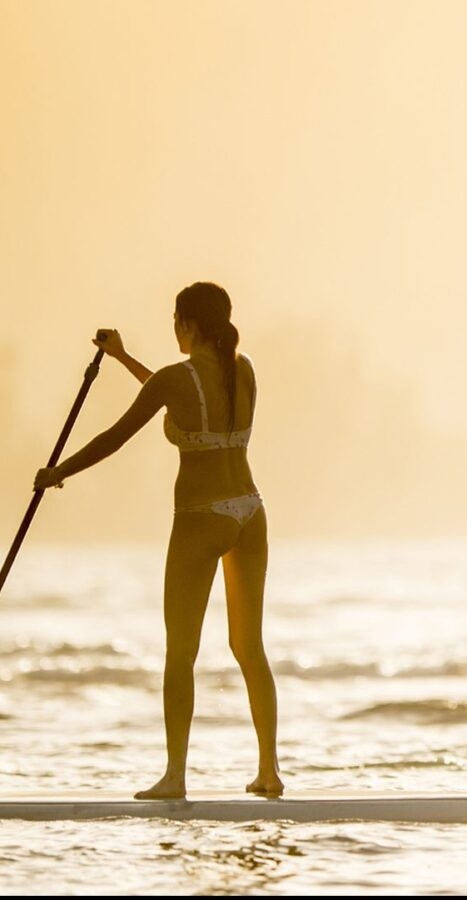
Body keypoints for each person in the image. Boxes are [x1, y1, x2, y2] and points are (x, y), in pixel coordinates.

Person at [34, 282, 282, 800]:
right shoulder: (243, 369)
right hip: (250, 513)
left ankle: (175, 777)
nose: (173, 328)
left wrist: (58, 473)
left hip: (200, 518)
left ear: (188, 323)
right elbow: (174, 397)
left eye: (175, 319)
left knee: (180, 652)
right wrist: (123, 358)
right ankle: (269, 770)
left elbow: (115, 437)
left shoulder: (177, 378)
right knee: (248, 647)